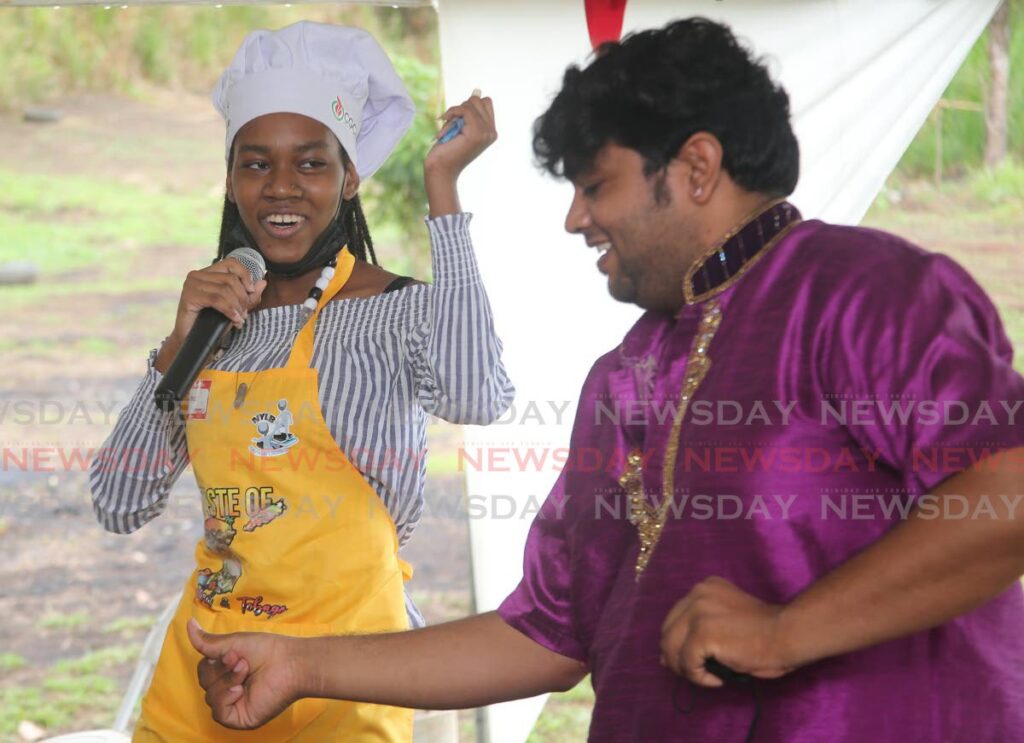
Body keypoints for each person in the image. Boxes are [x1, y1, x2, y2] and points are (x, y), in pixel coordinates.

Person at [185, 17, 1024, 741]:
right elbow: (548, 634)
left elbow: (1006, 488)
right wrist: (301, 664)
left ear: (696, 167)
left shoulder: (858, 287)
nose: (576, 217)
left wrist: (787, 631)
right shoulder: (623, 377)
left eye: (597, 185)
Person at [88, 20, 513, 742]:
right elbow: (119, 501)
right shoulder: (215, 325)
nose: (281, 186)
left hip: (351, 683)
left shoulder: (391, 311)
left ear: (350, 177)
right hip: (206, 680)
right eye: (255, 164)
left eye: (311, 164)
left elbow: (480, 393)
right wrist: (178, 342)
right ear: (229, 178)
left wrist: (443, 192)